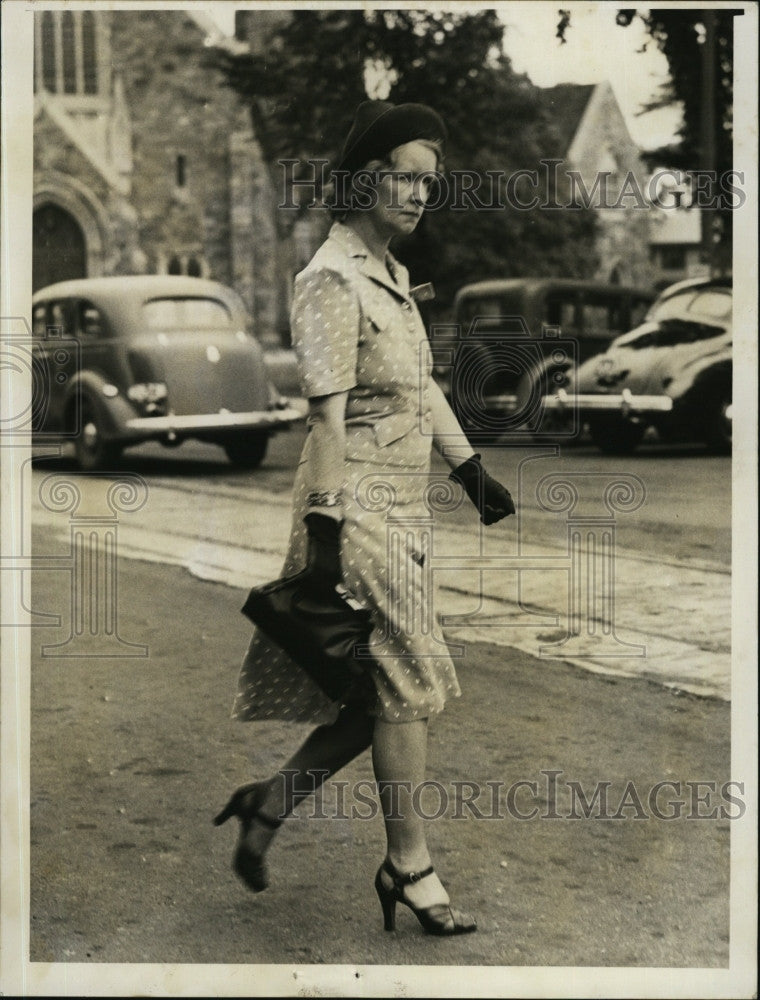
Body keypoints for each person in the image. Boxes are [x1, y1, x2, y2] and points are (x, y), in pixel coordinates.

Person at [214, 100, 515, 937]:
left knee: (376, 694)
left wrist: (470, 467)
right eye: (406, 176)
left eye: (429, 182)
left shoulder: (386, 274)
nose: (421, 194)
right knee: (410, 682)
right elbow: (325, 420)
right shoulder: (330, 278)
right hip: (356, 516)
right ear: (363, 178)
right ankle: (408, 865)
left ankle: (268, 803)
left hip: (404, 509)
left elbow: (420, 388)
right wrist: (324, 533)